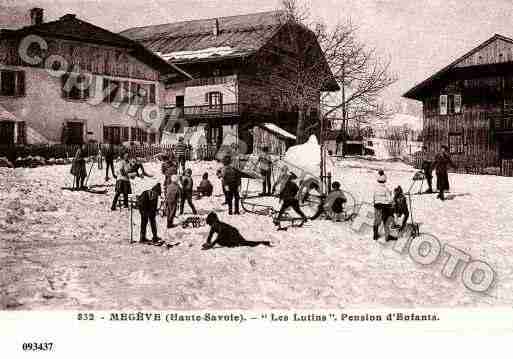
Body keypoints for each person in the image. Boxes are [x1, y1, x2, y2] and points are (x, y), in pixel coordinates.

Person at [201, 212, 271, 249]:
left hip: (234, 234)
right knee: (245, 243)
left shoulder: (219, 225)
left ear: (214, 221)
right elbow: (210, 235)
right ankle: (264, 243)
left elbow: (218, 238)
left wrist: (211, 245)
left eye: (211, 224)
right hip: (229, 235)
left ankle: (264, 243)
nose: (211, 226)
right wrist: (208, 242)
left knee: (245, 243)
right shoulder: (214, 225)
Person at [372, 170, 395, 241]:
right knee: (386, 221)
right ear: (385, 181)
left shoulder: (375, 189)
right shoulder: (386, 189)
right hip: (385, 207)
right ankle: (387, 236)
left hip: (377, 206)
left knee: (377, 221)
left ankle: (375, 235)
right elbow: (390, 200)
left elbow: (374, 197)